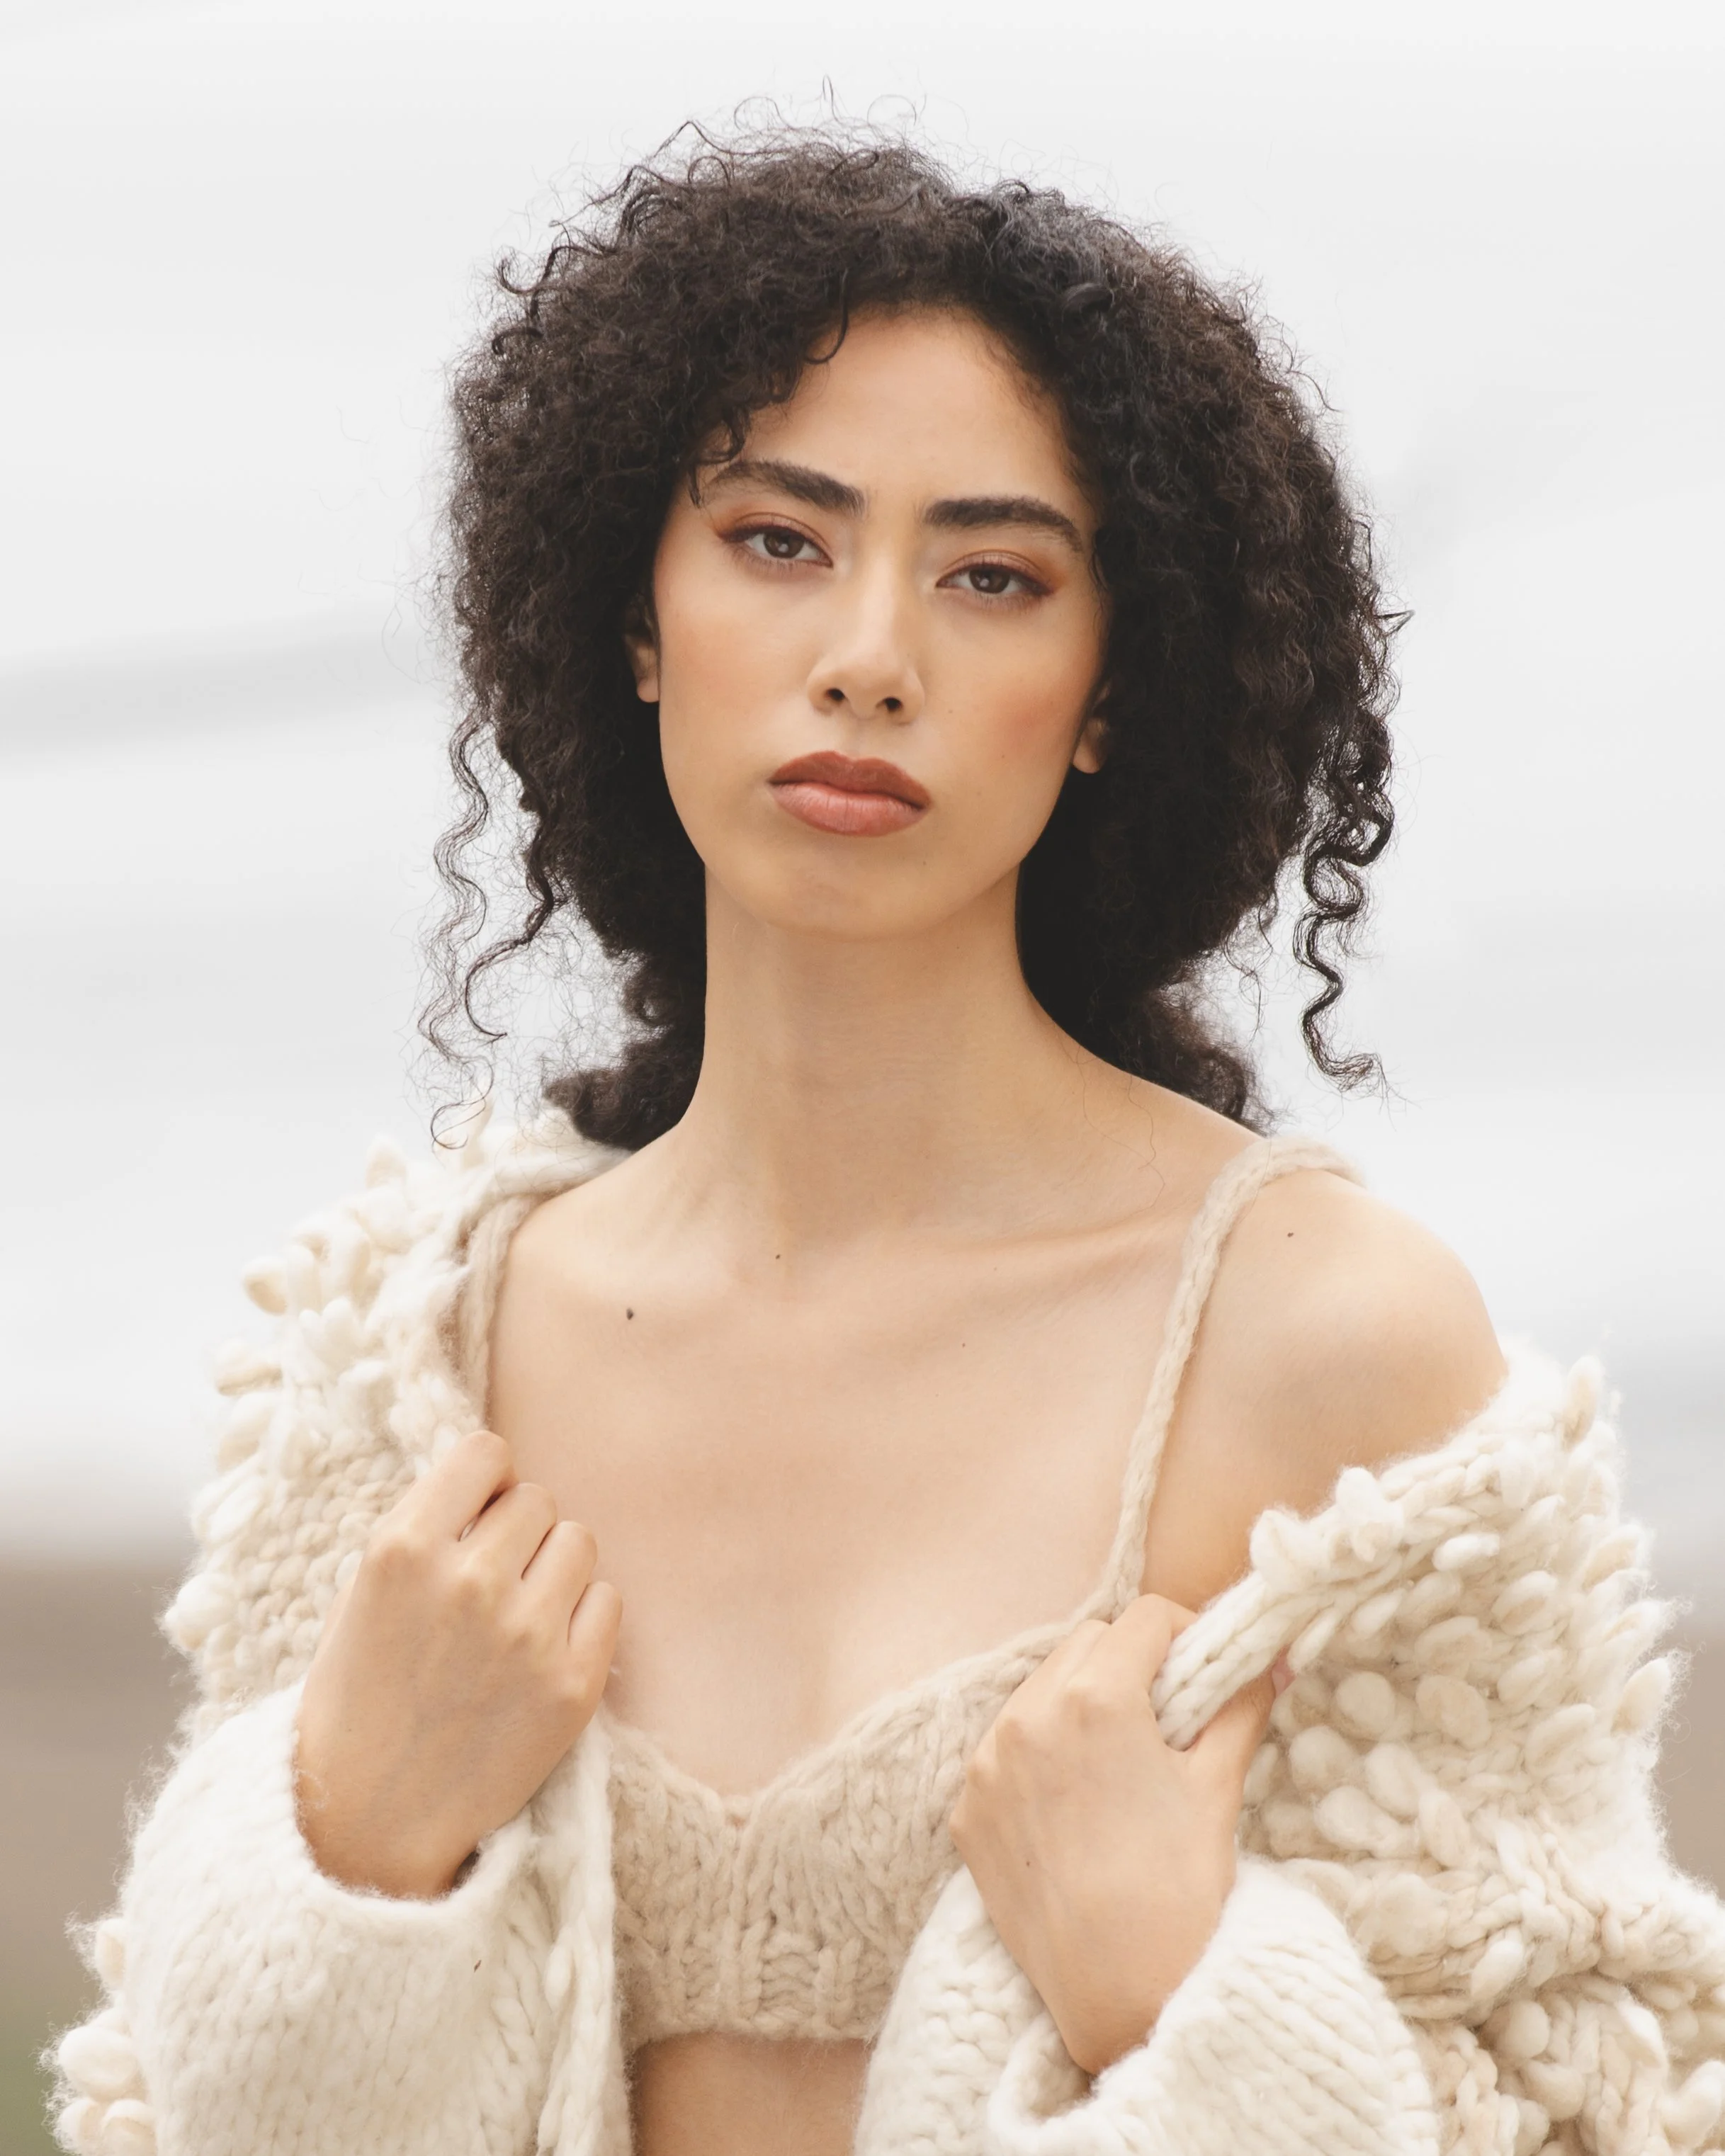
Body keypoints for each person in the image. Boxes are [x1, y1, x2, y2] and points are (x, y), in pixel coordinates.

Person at [52, 127, 1725, 2156]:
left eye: (993, 577)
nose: (869, 655)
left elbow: (1591, 2106)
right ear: (637, 617)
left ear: (1107, 692)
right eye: (778, 541)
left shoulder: (1321, 1345)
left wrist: (1193, 2008)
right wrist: (347, 1854)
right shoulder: (409, 1365)